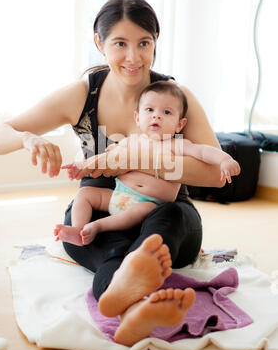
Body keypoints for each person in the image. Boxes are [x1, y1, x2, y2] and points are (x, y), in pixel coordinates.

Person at [0, 0, 227, 347]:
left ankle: (132, 290)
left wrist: (135, 160)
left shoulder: (174, 97)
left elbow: (213, 174)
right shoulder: (82, 95)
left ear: (156, 42)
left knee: (162, 228)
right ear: (100, 43)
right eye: (120, 44)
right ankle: (133, 309)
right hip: (101, 213)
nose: (133, 57)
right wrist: (26, 140)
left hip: (167, 215)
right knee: (107, 249)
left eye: (144, 43)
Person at [54, 81, 240, 247]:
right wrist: (82, 165)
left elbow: (203, 151)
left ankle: (96, 227)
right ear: (137, 118)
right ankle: (78, 229)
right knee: (85, 194)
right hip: (117, 196)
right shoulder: (130, 141)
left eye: (166, 112)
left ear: (179, 124)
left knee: (145, 210)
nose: (156, 116)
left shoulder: (178, 145)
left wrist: (224, 159)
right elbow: (105, 159)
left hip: (148, 204)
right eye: (150, 110)